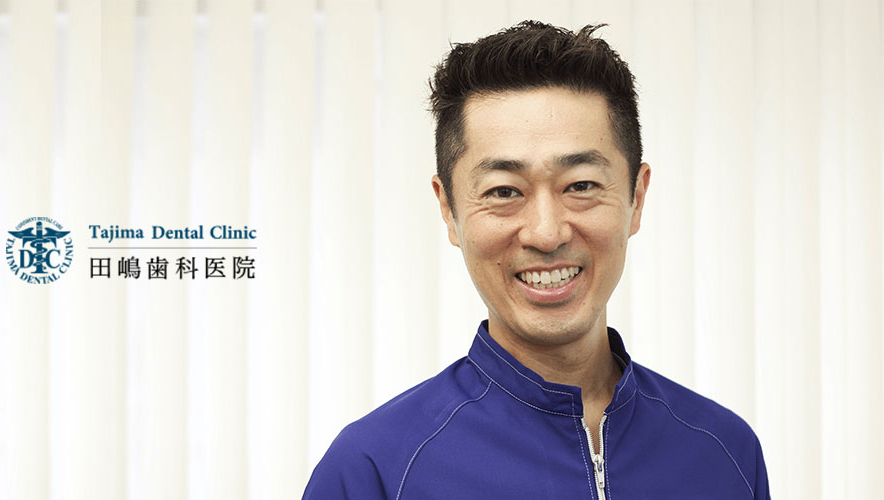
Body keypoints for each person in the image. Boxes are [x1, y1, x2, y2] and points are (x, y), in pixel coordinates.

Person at [303, 21, 770, 500]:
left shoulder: (726, 453)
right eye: (504, 191)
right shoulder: (376, 469)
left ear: (637, 197)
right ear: (448, 209)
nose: (547, 233)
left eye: (581, 185)